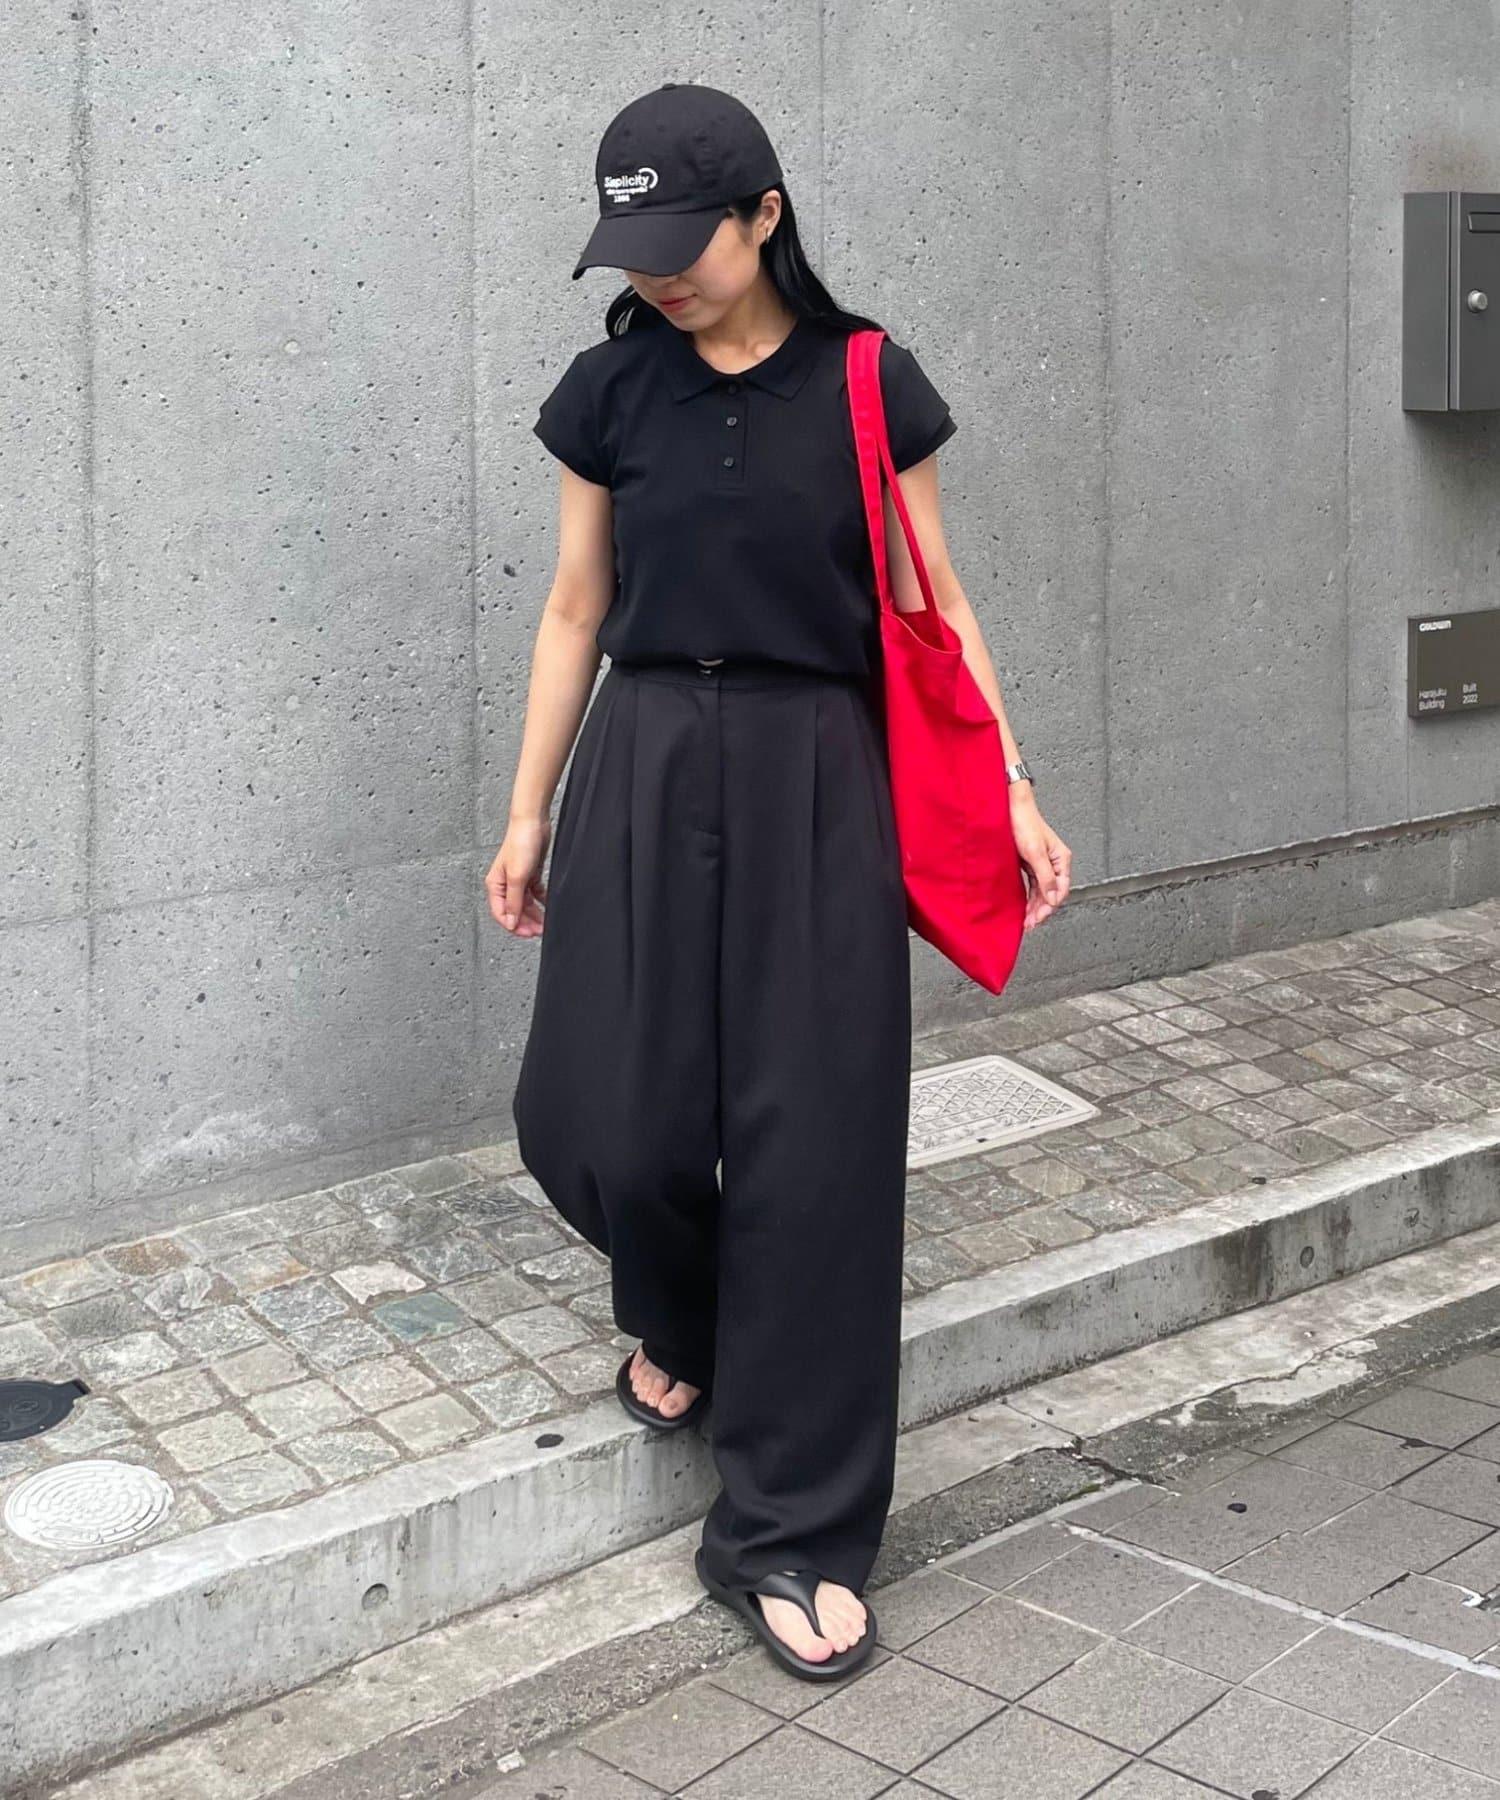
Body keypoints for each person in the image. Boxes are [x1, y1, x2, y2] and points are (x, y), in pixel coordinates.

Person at [486, 81, 1070, 1682]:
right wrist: (528, 814)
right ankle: (683, 1318)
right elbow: (574, 608)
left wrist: (1009, 785)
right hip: (644, 756)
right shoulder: (609, 390)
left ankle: (790, 1530)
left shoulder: (869, 380)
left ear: (766, 217)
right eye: (637, 246)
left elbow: (936, 605)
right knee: (599, 1117)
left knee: (816, 1151)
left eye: (692, 238)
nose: (662, 271)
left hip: (823, 767)